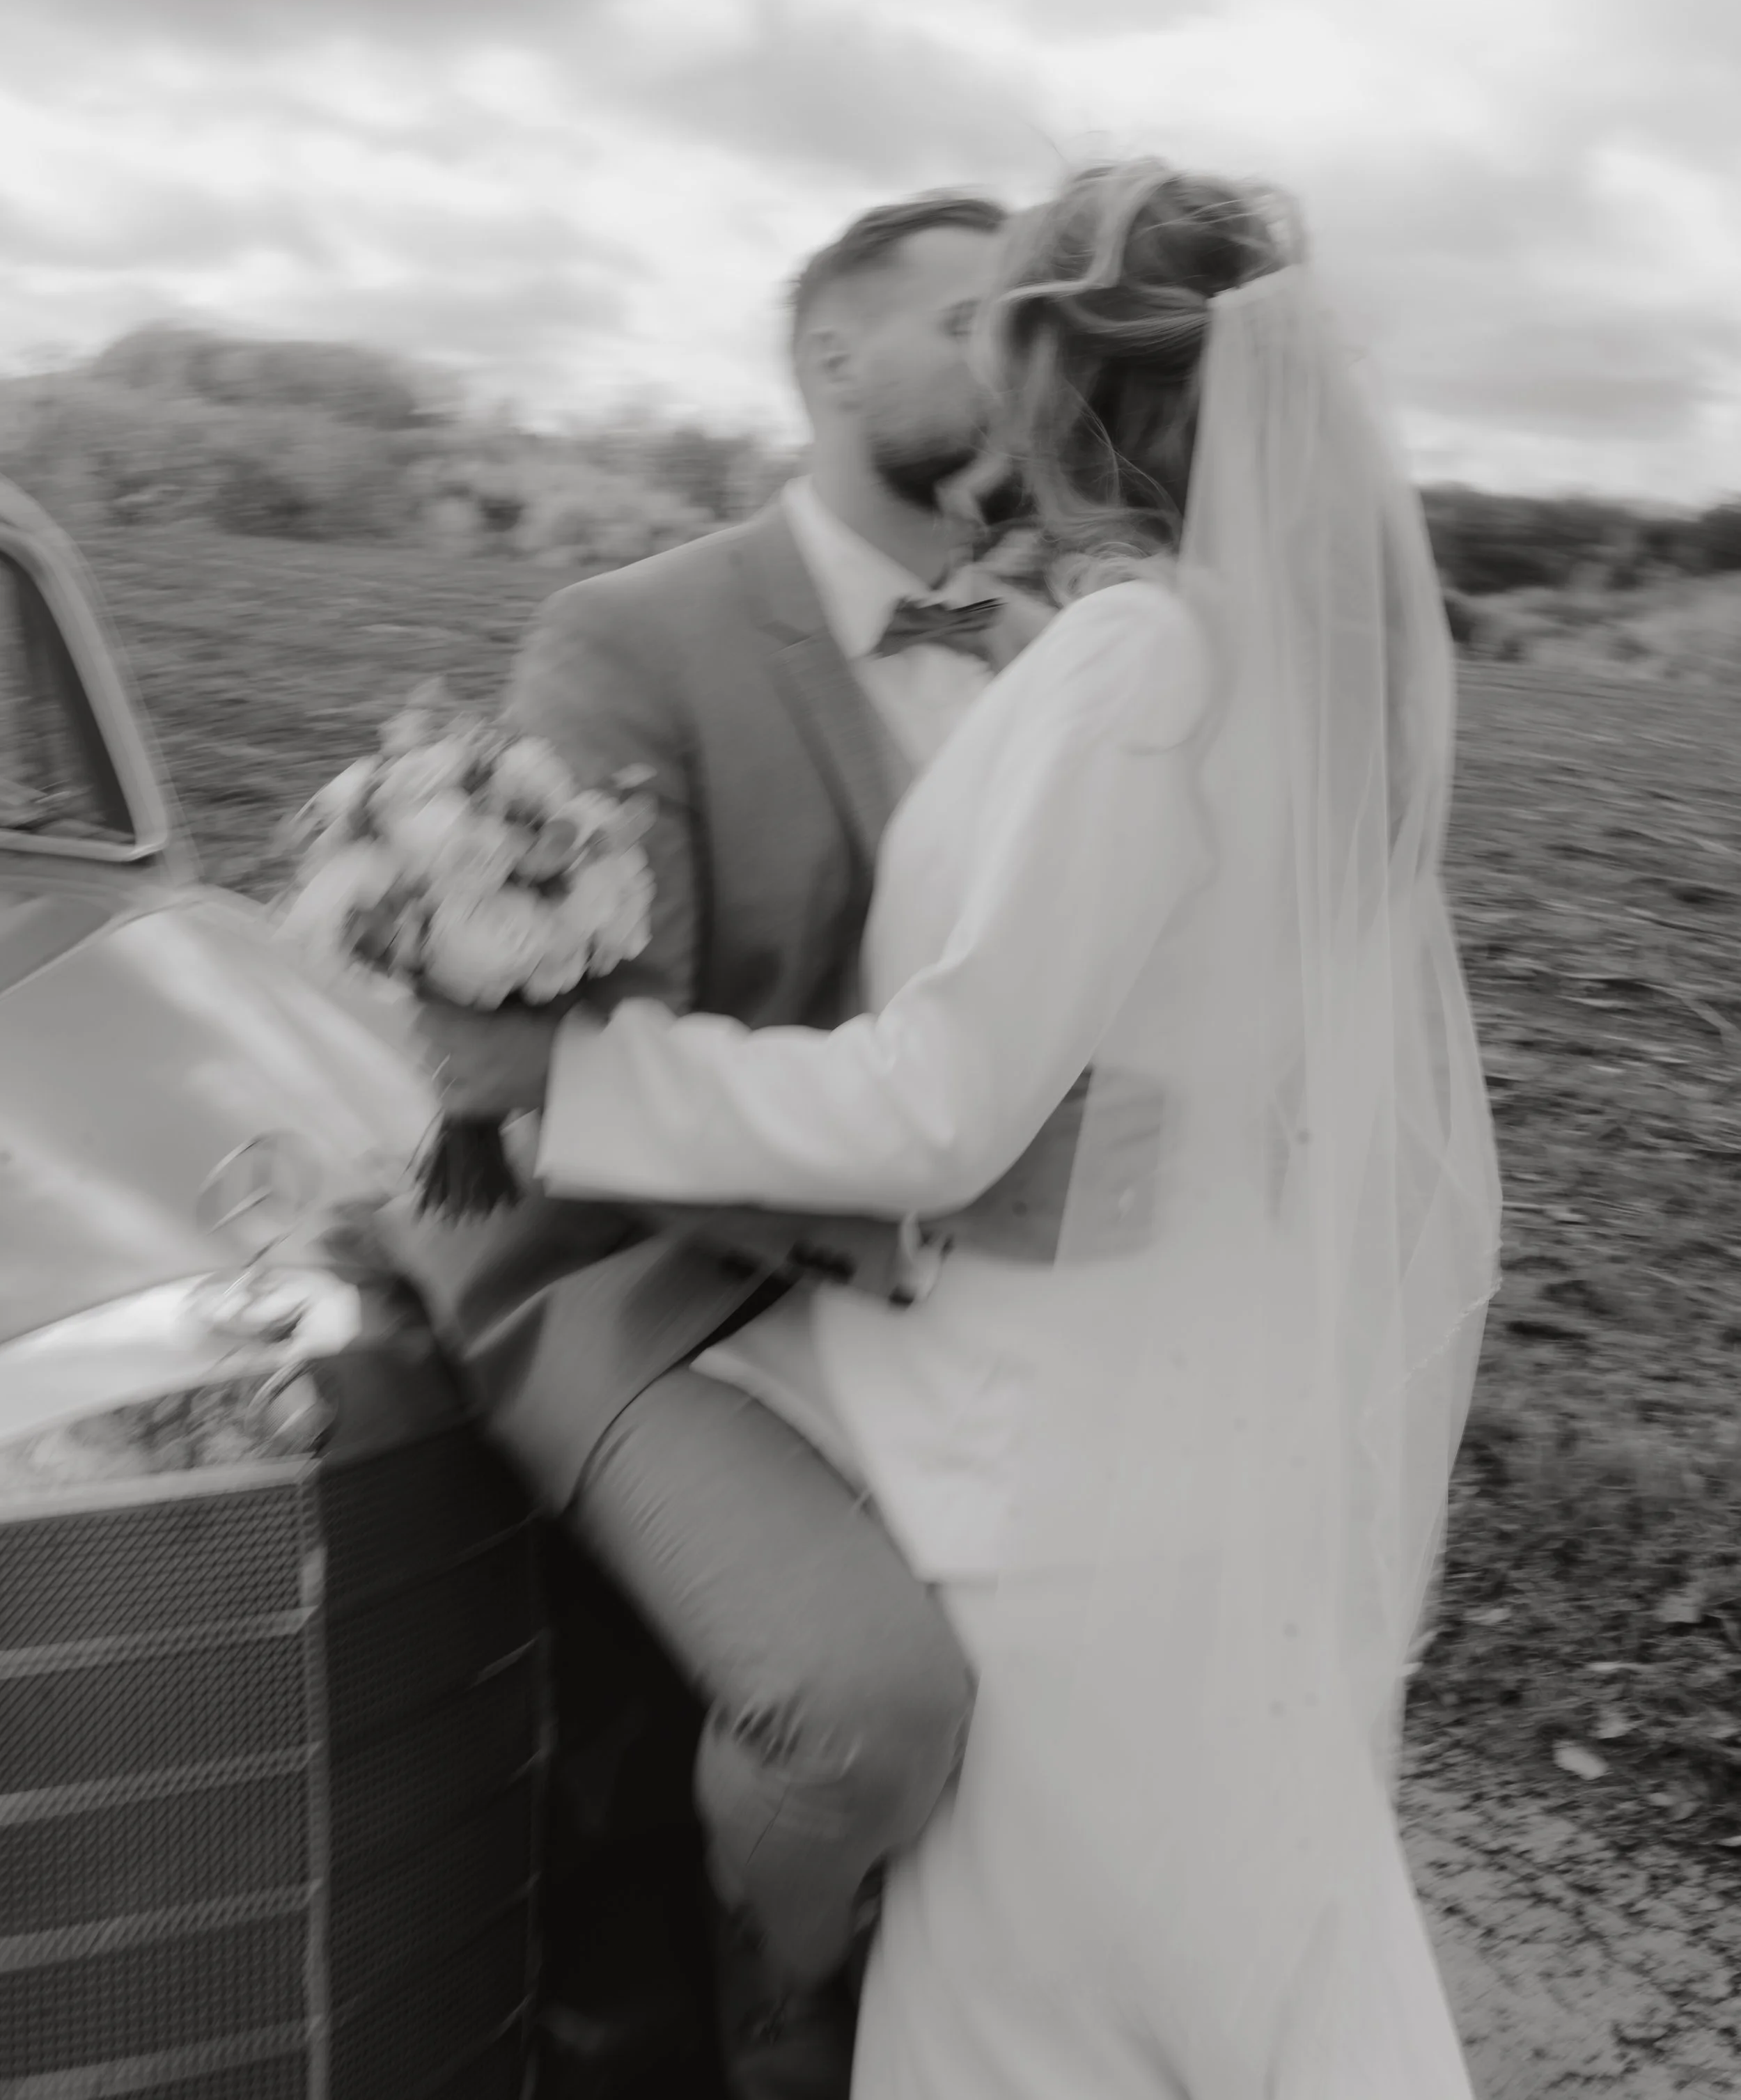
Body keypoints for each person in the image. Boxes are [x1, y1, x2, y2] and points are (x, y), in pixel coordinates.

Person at [432, 159, 1504, 2095]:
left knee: (1029, 1983)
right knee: (1224, 1923)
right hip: (1165, 1372)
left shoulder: (1125, 658)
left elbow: (938, 1098)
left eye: (993, 333)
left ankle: (758, 2006)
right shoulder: (1323, 675)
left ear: (1059, 388)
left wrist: (566, 1083)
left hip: (1019, 1390)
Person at [404, 187, 1054, 2100]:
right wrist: (940, 1191)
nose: (1019, 360)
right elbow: (579, 1072)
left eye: (1037, 327)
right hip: (644, 1283)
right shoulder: (633, 636)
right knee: (860, 1707)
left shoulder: (1062, 657)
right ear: (828, 356)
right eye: (973, 319)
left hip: (959, 1278)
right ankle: (764, 2022)